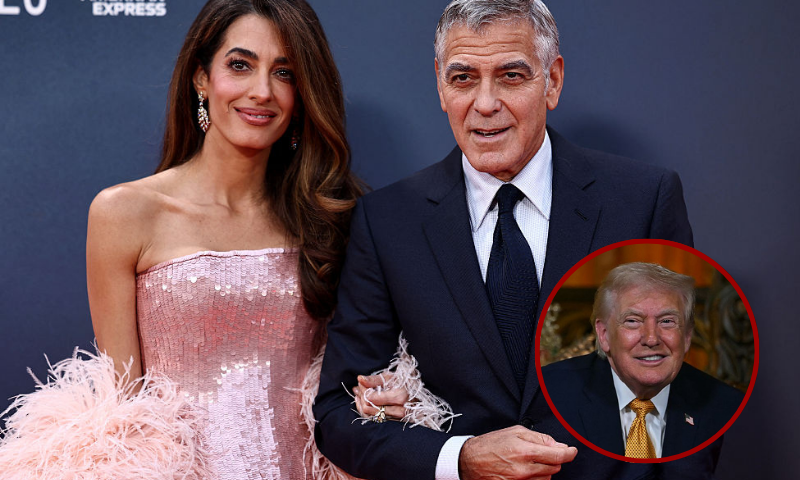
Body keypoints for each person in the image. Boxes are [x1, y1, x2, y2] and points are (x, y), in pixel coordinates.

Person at [0, 1, 412, 479]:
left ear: (302, 94)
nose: (262, 91)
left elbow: (350, 386)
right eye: (240, 65)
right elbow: (123, 408)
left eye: (284, 73)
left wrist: (377, 404)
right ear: (201, 78)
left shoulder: (333, 219)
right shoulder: (124, 213)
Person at [313, 1, 709, 479]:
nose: (485, 103)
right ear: (440, 85)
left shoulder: (641, 201)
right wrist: (461, 458)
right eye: (463, 78)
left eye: (511, 76)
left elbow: (693, 389)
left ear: (552, 81)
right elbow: (339, 414)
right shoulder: (387, 222)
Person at [542, 263, 744, 459]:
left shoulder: (725, 407)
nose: (651, 339)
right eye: (633, 321)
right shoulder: (548, 394)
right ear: (604, 335)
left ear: (687, 336)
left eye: (667, 321)